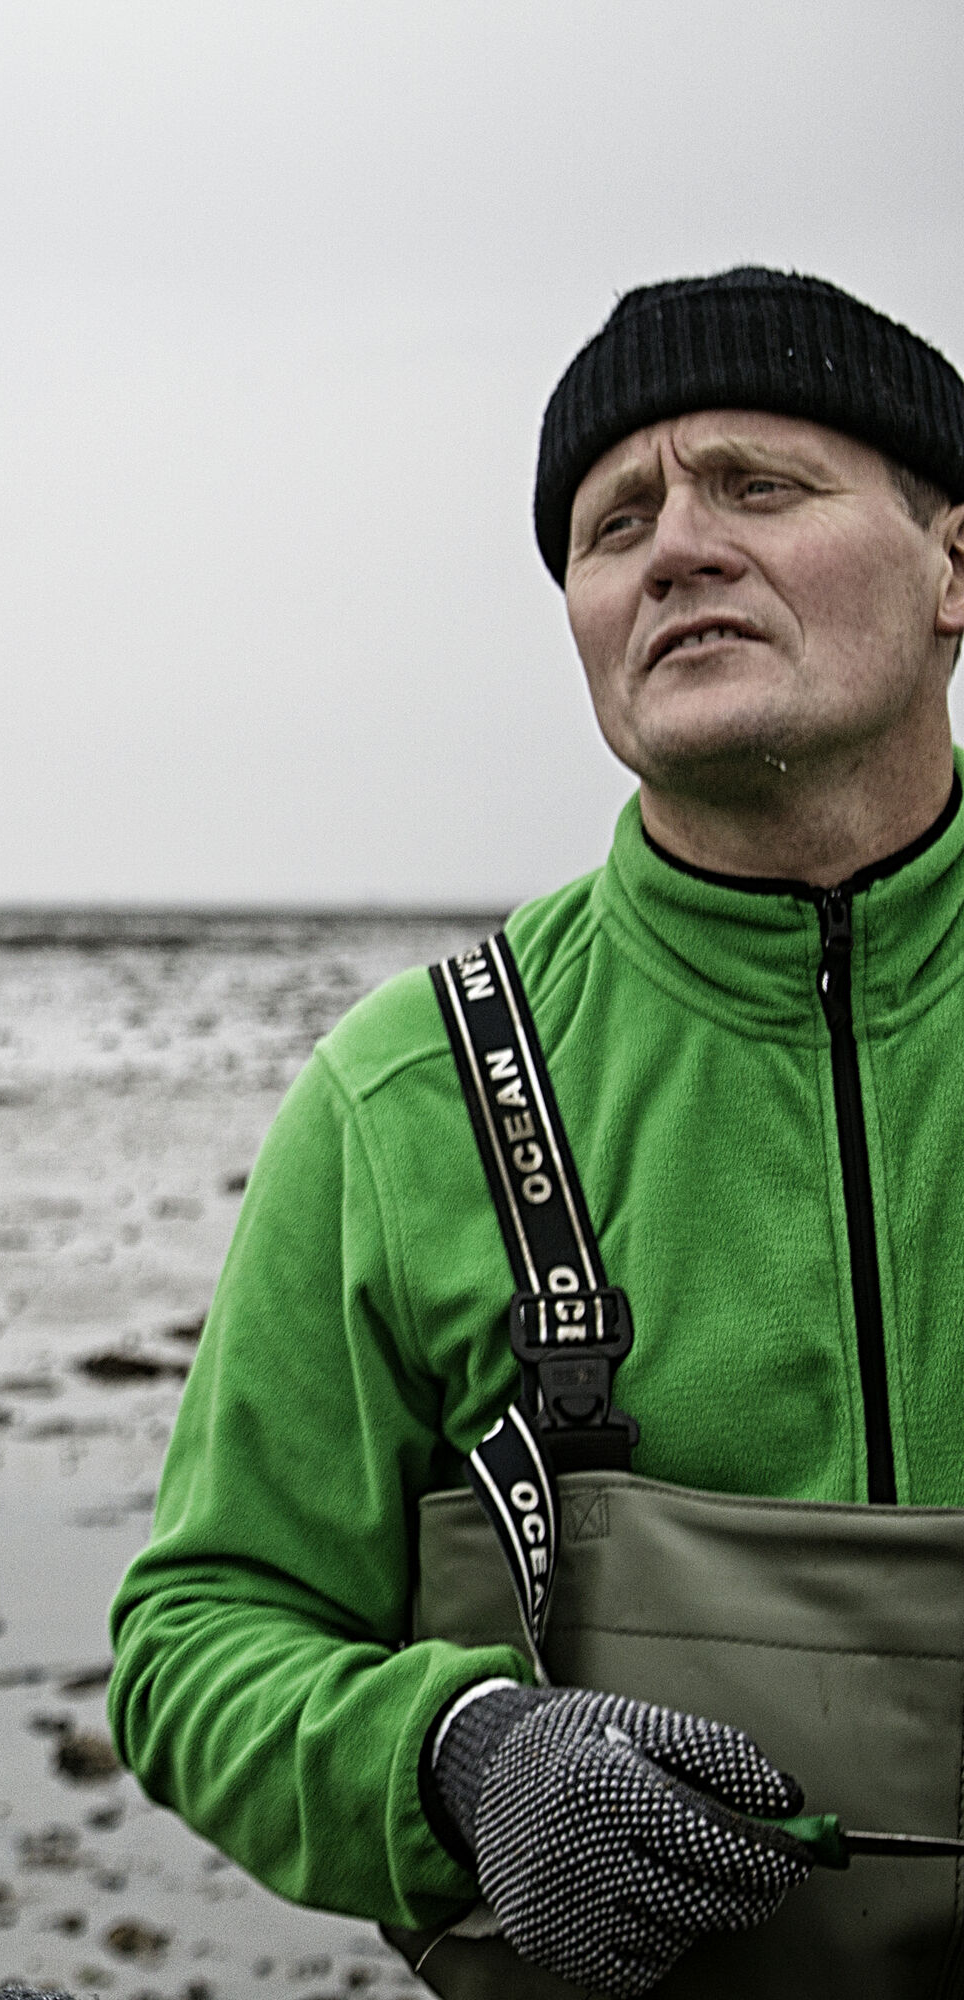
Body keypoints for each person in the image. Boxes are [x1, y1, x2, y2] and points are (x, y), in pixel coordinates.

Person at [107, 266, 964, 1998]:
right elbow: (194, 1641)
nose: (677, 548)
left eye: (761, 486)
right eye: (613, 523)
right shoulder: (405, 1097)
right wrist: (466, 1763)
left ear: (955, 563)